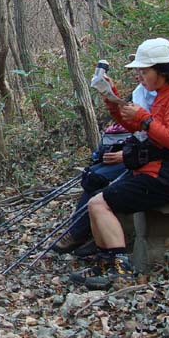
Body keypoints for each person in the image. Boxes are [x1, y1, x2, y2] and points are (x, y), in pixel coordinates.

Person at [68, 38, 169, 289]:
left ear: (161, 70)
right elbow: (139, 128)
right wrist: (113, 101)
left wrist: (144, 118)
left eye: (144, 70)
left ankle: (121, 272)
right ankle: (108, 264)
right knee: (96, 201)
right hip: (149, 171)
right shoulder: (160, 96)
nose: (139, 75)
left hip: (166, 178)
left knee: (99, 204)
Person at [52, 56, 156, 255]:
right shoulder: (140, 93)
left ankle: (80, 234)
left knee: (99, 182)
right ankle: (89, 235)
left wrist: (125, 156)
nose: (138, 75)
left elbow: (164, 138)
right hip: (136, 154)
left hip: (149, 163)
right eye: (137, 71)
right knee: (92, 176)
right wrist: (111, 96)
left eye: (143, 71)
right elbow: (135, 129)